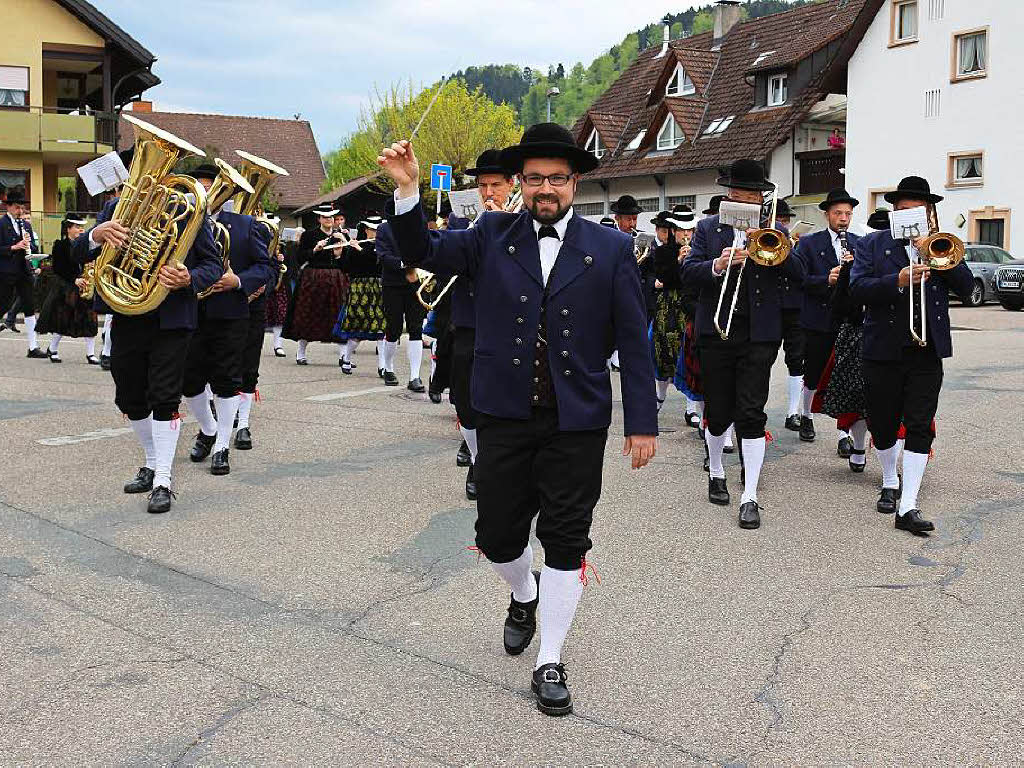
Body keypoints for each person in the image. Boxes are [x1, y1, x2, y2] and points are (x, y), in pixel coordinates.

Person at [378, 123, 658, 717]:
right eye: (535, 179)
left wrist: (642, 421)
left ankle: (550, 658)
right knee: (498, 536)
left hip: (576, 420)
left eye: (557, 178)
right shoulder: (490, 233)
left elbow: (634, 340)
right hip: (503, 413)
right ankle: (523, 594)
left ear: (575, 183)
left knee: (565, 536)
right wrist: (406, 191)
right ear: (520, 185)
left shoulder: (610, 248)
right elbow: (421, 252)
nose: (546, 189)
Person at [73, 182, 223, 514]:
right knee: (129, 397)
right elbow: (76, 254)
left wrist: (189, 278)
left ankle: (163, 481)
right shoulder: (115, 211)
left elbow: (212, 266)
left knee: (165, 396)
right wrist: (96, 235)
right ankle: (152, 463)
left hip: (172, 319)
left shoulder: (189, 213)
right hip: (128, 315)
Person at [681, 159, 805, 531]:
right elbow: (687, 274)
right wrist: (717, 264)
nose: (741, 200)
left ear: (760, 198)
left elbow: (798, 276)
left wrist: (774, 247)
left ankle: (750, 494)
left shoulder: (773, 231)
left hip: (759, 335)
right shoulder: (707, 229)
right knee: (718, 412)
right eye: (735, 194)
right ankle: (717, 470)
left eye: (749, 195)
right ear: (727, 195)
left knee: (751, 412)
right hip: (716, 333)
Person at [850, 175, 974, 534]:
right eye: (902, 210)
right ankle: (890, 480)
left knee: (920, 424)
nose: (909, 215)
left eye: (917, 210)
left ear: (929, 213)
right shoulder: (873, 245)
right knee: (884, 423)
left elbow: (967, 289)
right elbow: (857, 289)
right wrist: (897, 281)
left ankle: (909, 505)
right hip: (883, 349)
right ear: (893, 213)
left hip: (926, 350)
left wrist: (935, 253)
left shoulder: (941, 246)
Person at [177, 163, 273, 476]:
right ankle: (207, 428)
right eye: (200, 190)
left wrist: (238, 281)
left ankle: (221, 445)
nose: (206, 197)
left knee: (227, 380)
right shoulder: (179, 225)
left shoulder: (245, 225)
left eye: (212, 188)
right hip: (190, 311)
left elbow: (267, 269)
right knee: (189, 381)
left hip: (230, 313)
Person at [445, 149, 515, 499]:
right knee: (464, 398)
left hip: (510, 322)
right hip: (469, 319)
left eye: (496, 185)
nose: (489, 193)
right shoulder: (461, 220)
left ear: (511, 184)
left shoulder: (523, 219)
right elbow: (449, 259)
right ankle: (476, 456)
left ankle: (491, 463)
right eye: (483, 185)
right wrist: (479, 228)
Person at [794, 189, 860, 455]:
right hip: (818, 318)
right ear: (827, 215)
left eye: (847, 214)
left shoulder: (858, 243)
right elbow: (798, 279)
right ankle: (807, 416)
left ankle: (844, 433)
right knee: (814, 373)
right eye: (838, 213)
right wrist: (827, 279)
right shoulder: (809, 243)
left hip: (847, 319)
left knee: (845, 376)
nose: (843, 219)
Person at [235, 212, 283, 452]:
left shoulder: (258, 228)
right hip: (215, 304)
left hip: (253, 305)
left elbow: (272, 268)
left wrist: (262, 288)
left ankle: (243, 423)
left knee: (249, 364)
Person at [284, 202, 349, 365]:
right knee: (308, 313)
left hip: (336, 279)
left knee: (338, 314)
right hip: (313, 278)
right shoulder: (309, 236)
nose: (329, 219)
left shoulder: (340, 235)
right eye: (325, 217)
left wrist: (341, 251)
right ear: (320, 219)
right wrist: (315, 249)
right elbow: (299, 258)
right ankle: (301, 351)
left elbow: (347, 262)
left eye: (331, 217)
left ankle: (343, 356)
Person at [35, 214, 99, 364]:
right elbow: (58, 268)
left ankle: (90, 354)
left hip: (84, 285)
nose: (81, 230)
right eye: (77, 227)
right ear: (68, 229)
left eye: (82, 227)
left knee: (89, 319)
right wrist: (74, 279)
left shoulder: (84, 244)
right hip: (67, 287)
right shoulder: (60, 245)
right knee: (63, 320)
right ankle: (53, 349)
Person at [377, 208, 427, 390]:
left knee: (416, 328)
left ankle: (415, 376)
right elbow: (383, 255)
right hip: (393, 284)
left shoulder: (418, 226)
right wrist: (406, 264)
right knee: (394, 328)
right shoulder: (384, 228)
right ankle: (388, 368)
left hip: (415, 283)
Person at [651, 206, 695, 411]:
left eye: (689, 230)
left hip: (692, 306)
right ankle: (659, 396)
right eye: (681, 230)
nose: (686, 234)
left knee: (691, 356)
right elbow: (664, 278)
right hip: (668, 307)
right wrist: (678, 260)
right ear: (674, 231)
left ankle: (691, 408)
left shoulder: (699, 251)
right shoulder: (662, 252)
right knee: (664, 356)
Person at [333, 216, 386, 373]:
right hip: (359, 289)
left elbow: (377, 262)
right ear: (365, 230)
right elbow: (345, 268)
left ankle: (383, 366)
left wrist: (359, 249)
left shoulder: (383, 246)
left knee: (381, 329)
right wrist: (339, 254)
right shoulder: (354, 246)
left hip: (378, 288)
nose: (375, 232)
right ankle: (347, 359)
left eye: (377, 229)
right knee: (357, 329)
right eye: (372, 229)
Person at [772, 197, 806, 432]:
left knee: (796, 360)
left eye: (785, 221)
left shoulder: (798, 244)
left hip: (794, 308)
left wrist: (794, 247)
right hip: (770, 307)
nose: (783, 225)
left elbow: (800, 273)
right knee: (762, 359)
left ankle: (794, 411)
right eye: (779, 220)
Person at [0, 196, 47, 357]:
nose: (20, 211)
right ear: (9, 207)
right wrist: (14, 247)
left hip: (24, 270)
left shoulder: (25, 224)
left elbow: (33, 246)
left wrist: (28, 244)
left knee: (29, 306)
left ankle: (33, 347)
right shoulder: (1, 224)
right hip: (6, 271)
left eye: (22, 208)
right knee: (3, 303)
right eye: (17, 208)